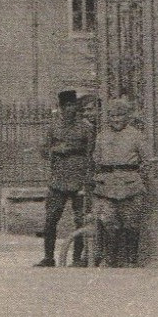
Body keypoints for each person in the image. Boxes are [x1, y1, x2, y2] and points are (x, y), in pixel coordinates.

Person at [37, 89, 95, 268]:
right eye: (66, 106)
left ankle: (77, 258)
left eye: (72, 105)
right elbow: (43, 151)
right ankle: (48, 257)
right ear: (60, 108)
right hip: (58, 180)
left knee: (80, 219)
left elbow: (91, 152)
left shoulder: (86, 127)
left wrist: (87, 175)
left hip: (79, 178)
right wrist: (56, 150)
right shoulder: (52, 127)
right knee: (51, 218)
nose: (69, 109)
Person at [94, 98, 151, 268]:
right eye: (112, 116)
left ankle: (131, 259)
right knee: (108, 222)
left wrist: (138, 178)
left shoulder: (136, 135)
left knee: (131, 223)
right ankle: (110, 259)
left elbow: (147, 160)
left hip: (130, 184)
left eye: (120, 115)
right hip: (107, 185)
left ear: (127, 116)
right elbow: (96, 158)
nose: (116, 119)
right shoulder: (102, 136)